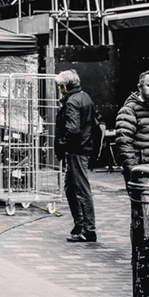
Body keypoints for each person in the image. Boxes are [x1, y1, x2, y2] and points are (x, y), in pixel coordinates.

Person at [54, 70, 97, 243]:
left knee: (80, 189)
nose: (59, 90)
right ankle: (81, 225)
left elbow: (73, 129)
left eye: (60, 86)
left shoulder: (72, 101)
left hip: (77, 150)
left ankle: (88, 229)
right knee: (72, 188)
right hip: (83, 147)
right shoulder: (85, 97)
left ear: (65, 86)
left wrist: (63, 143)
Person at [115, 69, 149, 183]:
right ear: (140, 87)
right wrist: (133, 170)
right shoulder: (129, 110)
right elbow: (124, 144)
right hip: (141, 171)